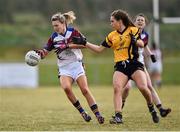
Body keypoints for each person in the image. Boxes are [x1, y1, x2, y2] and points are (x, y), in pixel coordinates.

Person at [76, 9, 159, 124]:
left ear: (120, 21)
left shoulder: (133, 30)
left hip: (134, 64)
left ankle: (152, 108)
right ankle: (118, 116)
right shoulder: (111, 35)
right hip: (120, 66)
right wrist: (84, 43)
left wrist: (136, 41)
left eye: (112, 21)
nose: (111, 24)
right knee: (117, 88)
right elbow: (99, 49)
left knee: (143, 87)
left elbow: (142, 43)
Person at [35, 11, 104, 124]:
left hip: (77, 64)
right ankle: (82, 112)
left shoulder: (73, 32)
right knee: (66, 88)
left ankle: (98, 114)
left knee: (85, 90)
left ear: (63, 23)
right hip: (64, 68)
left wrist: (67, 45)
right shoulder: (53, 37)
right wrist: (40, 54)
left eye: (57, 25)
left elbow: (84, 44)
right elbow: (46, 50)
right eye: (53, 26)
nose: (55, 28)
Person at [122, 13, 171, 118]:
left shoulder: (144, 35)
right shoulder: (128, 31)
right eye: (138, 20)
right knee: (126, 88)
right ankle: (121, 105)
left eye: (142, 20)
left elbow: (143, 44)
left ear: (145, 24)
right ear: (133, 22)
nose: (140, 21)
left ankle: (160, 109)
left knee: (149, 86)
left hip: (139, 64)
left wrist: (150, 54)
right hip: (126, 64)